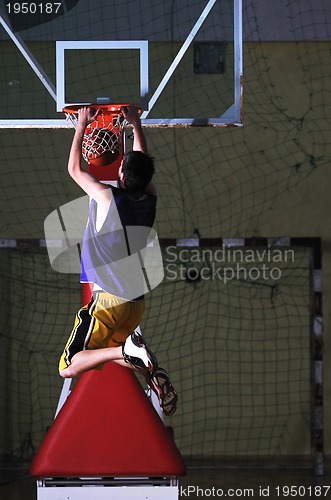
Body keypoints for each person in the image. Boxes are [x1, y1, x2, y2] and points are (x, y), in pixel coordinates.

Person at [58, 105, 178, 416]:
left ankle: (129, 352)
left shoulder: (107, 198)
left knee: (69, 366)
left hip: (117, 302)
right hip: (131, 304)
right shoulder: (148, 200)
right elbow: (138, 165)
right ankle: (150, 375)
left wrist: (82, 124)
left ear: (121, 175)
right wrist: (135, 125)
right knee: (115, 353)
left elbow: (75, 169)